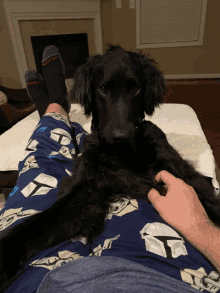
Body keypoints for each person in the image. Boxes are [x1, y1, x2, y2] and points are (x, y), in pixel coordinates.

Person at [0, 45, 220, 293]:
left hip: (52, 278)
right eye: (105, 89)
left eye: (133, 90)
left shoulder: (151, 141)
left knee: (44, 164)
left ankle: (53, 112)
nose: (119, 129)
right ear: (93, 95)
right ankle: (56, 108)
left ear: (145, 94)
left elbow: (195, 184)